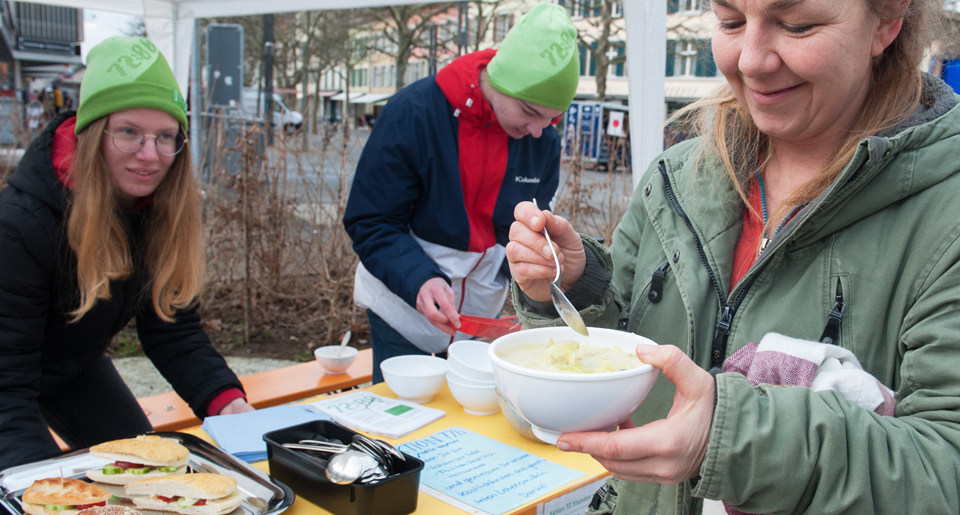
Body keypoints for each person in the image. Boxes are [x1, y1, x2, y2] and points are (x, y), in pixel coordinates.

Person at [507, 0, 960, 513]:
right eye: (730, 22)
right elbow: (626, 343)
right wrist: (578, 285)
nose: (750, 61)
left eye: (797, 25)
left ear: (887, 21)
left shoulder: (945, 213)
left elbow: (944, 470)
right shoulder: (674, 181)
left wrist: (732, 438)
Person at [0, 36, 254, 470]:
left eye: (166, 136)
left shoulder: (161, 209)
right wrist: (36, 485)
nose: (150, 155)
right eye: (129, 133)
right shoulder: (20, 226)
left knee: (150, 470)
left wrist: (228, 403)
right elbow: (7, 386)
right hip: (7, 371)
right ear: (94, 134)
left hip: (72, 364)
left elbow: (172, 326)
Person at [343, 3, 579, 383]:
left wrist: (532, 266)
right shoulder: (414, 114)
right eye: (529, 112)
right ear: (502, 80)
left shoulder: (542, 140)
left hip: (482, 317)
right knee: (405, 417)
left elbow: (527, 222)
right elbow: (371, 220)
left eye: (552, 119)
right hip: (403, 304)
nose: (538, 131)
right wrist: (419, 278)